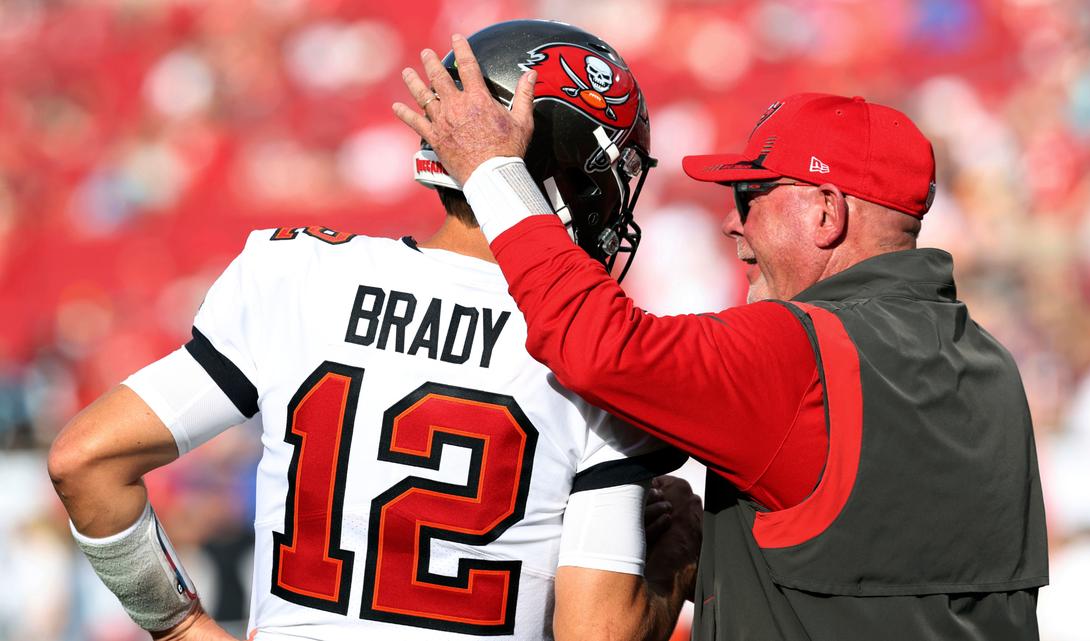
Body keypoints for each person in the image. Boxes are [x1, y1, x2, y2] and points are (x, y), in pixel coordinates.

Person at [47, 20, 700, 641]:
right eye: (611, 173)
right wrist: (678, 557)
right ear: (563, 169)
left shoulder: (297, 275)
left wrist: (180, 623)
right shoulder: (594, 345)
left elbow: (86, 460)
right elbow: (597, 632)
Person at [394, 38, 1049, 640]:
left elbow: (596, 347)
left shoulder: (801, 349)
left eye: (749, 196)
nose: (734, 225)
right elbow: (881, 567)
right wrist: (721, 547)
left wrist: (493, 173)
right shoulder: (990, 364)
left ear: (826, 212)